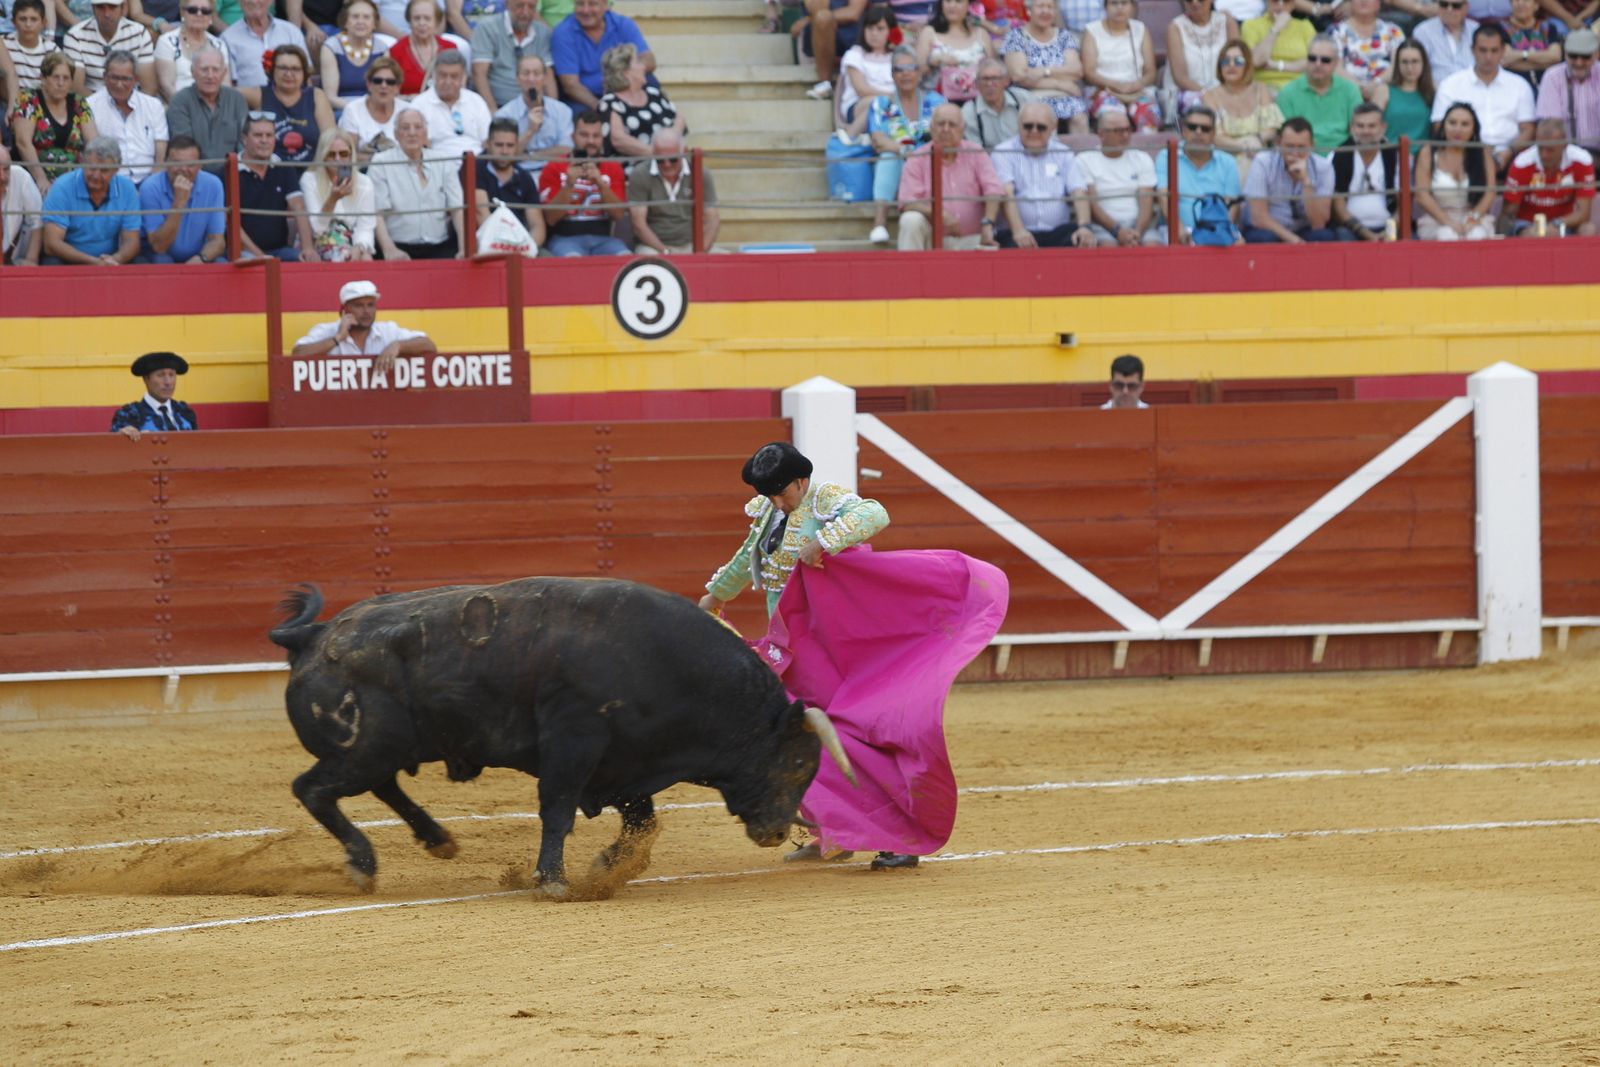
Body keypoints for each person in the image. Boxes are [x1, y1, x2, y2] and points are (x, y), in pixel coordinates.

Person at [695, 443, 902, 866]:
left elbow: (876, 514)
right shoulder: (771, 511)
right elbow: (745, 559)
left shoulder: (824, 500)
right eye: (769, 494)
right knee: (796, 738)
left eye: (781, 493)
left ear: (801, 481)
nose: (776, 501)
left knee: (852, 737)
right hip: (789, 649)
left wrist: (825, 540)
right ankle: (830, 832)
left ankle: (893, 839)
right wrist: (714, 598)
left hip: (831, 648)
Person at [895, 101, 1002, 248]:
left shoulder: (976, 152)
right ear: (932, 128)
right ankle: (911, 270)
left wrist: (988, 223)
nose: (946, 129)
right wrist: (939, 214)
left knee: (991, 246)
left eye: (952, 125)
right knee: (910, 220)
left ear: (962, 129)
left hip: (973, 238)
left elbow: (993, 190)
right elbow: (907, 202)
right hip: (932, 240)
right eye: (940, 124)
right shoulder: (917, 158)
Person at [866, 44, 943, 242]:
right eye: (899, 70)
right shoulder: (882, 104)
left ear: (919, 72)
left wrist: (918, 154)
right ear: (892, 74)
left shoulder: (936, 102)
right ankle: (880, 223)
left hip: (929, 162)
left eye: (910, 69)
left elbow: (945, 134)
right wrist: (905, 150)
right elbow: (878, 139)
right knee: (889, 156)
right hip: (899, 161)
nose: (905, 74)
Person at [992, 98, 1094, 246]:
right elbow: (1007, 194)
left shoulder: (1063, 153)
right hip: (1014, 232)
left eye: (1041, 127)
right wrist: (1019, 231)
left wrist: (1084, 227)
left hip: (1057, 232)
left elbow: (1078, 190)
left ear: (1053, 128)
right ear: (1018, 125)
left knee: (1082, 240)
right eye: (1028, 126)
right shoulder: (1003, 152)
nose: (1034, 131)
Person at [1432, 25, 1535, 168]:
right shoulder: (1450, 84)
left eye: (1494, 51)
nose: (1488, 57)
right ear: (1472, 50)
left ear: (1503, 51)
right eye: (1482, 50)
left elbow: (1528, 128)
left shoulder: (1520, 85)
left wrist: (1509, 152)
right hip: (1463, 158)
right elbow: (1439, 126)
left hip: (1511, 159)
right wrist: (1471, 150)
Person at [371, 107, 464, 257]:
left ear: (426, 133)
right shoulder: (381, 162)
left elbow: (457, 209)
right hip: (398, 247)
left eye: (418, 127)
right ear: (395, 134)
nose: (412, 133)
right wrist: (389, 249)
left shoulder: (444, 161)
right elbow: (376, 213)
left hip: (441, 246)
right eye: (405, 128)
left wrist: (464, 248)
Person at [291, 278, 437, 374]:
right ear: (345, 310)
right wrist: (337, 338)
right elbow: (297, 354)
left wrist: (398, 346)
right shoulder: (327, 330)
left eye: (370, 305)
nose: (366, 311)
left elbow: (429, 345)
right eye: (359, 306)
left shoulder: (388, 330)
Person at [40, 135, 141, 262]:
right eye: (91, 168)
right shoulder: (62, 187)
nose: (96, 176)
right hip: (69, 259)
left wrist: (116, 259)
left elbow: (132, 240)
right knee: (51, 262)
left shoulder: (127, 188)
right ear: (83, 163)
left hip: (110, 259)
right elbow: (51, 244)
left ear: (116, 170)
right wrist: (92, 262)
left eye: (104, 171)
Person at [10, 51, 97, 197]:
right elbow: (23, 143)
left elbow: (93, 142)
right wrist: (41, 179)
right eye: (56, 77)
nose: (61, 83)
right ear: (43, 78)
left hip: (74, 179)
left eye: (66, 78)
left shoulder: (79, 102)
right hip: (34, 178)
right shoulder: (28, 99)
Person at [1155, 103, 1243, 243]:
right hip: (1176, 228)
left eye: (1205, 128)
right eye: (1192, 127)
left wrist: (1218, 232)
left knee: (1239, 244)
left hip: (1217, 228)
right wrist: (1179, 228)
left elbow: (1232, 207)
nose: (1198, 132)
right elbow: (1164, 198)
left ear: (1213, 134)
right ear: (1183, 130)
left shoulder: (1228, 162)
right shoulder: (1166, 156)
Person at [235, 111, 316, 259]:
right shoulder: (230, 171)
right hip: (242, 253)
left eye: (269, 135)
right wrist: (260, 256)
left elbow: (298, 207)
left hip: (279, 251)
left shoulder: (283, 166)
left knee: (304, 263)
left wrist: (308, 248)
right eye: (258, 135)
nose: (264, 140)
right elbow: (230, 224)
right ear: (244, 139)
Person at [1242, 114, 1337, 240]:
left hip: (1303, 229)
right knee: (1264, 238)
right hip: (1269, 228)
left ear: (1312, 145)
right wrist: (1292, 239)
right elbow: (1259, 217)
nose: (1295, 153)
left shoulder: (1324, 167)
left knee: (1324, 236)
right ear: (1278, 144)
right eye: (1289, 146)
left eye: (1301, 147)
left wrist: (1306, 182)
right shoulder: (1263, 162)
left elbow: (1319, 223)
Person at [1076, 103, 1161, 245]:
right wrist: (1117, 231)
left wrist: (1137, 233)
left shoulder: (1142, 158)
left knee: (1153, 246)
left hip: (1139, 226)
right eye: (1118, 131)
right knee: (1107, 248)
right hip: (1102, 227)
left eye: (1128, 129)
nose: (1126, 135)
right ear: (1101, 134)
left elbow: (1146, 202)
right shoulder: (1085, 160)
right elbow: (1092, 205)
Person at [999, 0, 1086, 132]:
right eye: (1040, 6)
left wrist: (1044, 71)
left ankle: (1082, 153)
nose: (1045, 11)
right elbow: (1019, 76)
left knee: (1080, 118)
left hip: (1064, 95)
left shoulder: (1064, 36)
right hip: (1030, 96)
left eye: (1050, 7)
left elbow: (1076, 71)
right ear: (1029, 11)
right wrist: (1060, 84)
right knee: (1048, 118)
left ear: (1055, 12)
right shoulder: (1016, 37)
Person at [1499, 116, 1595, 234]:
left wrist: (1556, 224)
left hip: (1565, 222)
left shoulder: (1582, 160)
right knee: (1535, 233)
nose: (1544, 155)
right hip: (1528, 224)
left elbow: (1584, 214)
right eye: (1540, 148)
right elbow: (1508, 213)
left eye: (1550, 150)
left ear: (1564, 145)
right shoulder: (1522, 163)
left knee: (1589, 229)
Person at [627, 128, 716, 254]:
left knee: (725, 262)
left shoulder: (701, 173)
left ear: (684, 152)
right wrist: (664, 251)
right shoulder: (640, 174)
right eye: (660, 160)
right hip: (653, 247)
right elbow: (638, 224)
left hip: (693, 245)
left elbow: (712, 219)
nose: (667, 164)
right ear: (653, 154)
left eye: (673, 159)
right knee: (647, 259)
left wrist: (700, 252)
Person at [241, 43, 334, 164]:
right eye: (283, 68)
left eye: (295, 69)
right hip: (272, 172)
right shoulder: (259, 95)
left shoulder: (316, 96)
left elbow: (330, 140)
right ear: (272, 70)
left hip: (311, 172)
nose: (289, 74)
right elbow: (224, 91)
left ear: (304, 73)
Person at [1205, 36, 1283, 181]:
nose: (1231, 65)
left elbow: (1271, 128)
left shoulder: (1261, 89)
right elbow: (1214, 137)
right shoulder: (1210, 96)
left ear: (1247, 66)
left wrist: (1257, 140)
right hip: (1225, 159)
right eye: (1225, 61)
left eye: (1238, 61)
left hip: (1260, 155)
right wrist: (1243, 145)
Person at [550, 0, 652, 110]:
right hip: (586, 97)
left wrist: (623, 77)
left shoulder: (623, 24)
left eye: (593, 4)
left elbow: (649, 61)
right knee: (582, 115)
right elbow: (570, 85)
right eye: (580, 4)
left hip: (623, 88)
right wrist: (603, 108)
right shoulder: (563, 32)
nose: (586, 10)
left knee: (650, 81)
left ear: (606, 5)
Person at [1414, 100, 1496, 238]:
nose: (1457, 129)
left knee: (1477, 235)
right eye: (1452, 123)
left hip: (1473, 216)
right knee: (1446, 235)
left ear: (1473, 129)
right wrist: (1448, 222)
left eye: (1465, 124)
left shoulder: (1482, 153)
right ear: (1443, 126)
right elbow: (1422, 196)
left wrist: (1472, 218)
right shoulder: (1428, 152)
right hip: (1437, 218)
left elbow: (1490, 192)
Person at [139, 134, 226, 261]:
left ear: (200, 165)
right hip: (162, 254)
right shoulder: (150, 187)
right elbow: (159, 247)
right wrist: (179, 204)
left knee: (221, 263)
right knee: (162, 261)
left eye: (190, 165)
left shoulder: (213, 184)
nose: (183, 169)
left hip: (198, 254)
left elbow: (217, 241)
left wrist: (201, 259)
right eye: (177, 164)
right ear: (165, 163)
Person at [86, 50, 167, 183]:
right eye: (114, 78)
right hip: (109, 181)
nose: (119, 84)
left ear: (136, 79)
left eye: (125, 79)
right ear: (104, 77)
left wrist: (154, 180)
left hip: (149, 179)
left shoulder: (153, 105)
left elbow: (160, 148)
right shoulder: (90, 105)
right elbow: (94, 151)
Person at [166, 46, 247, 174]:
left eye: (215, 70)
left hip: (234, 175)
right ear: (193, 72)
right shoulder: (180, 101)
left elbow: (244, 144)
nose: (210, 76)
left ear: (224, 73)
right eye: (204, 69)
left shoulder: (236, 99)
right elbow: (184, 148)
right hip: (194, 175)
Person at [301, 125, 378, 258]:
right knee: (338, 255)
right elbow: (317, 229)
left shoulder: (364, 183)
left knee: (365, 257)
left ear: (351, 155)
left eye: (343, 154)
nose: (338, 159)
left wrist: (359, 247)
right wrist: (332, 199)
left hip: (350, 240)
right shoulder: (309, 180)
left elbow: (366, 227)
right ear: (323, 157)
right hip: (317, 242)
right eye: (331, 154)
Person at [1275, 34, 1362, 151]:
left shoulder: (1350, 90)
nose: (1318, 64)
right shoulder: (1288, 93)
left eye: (1325, 60)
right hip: (1303, 154)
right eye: (1312, 58)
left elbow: (1358, 130)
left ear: (1336, 63)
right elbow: (1287, 137)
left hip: (1342, 154)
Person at [538, 139, 626, 254]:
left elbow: (618, 215)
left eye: (596, 135)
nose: (591, 141)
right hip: (564, 239)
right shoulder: (554, 166)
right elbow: (550, 219)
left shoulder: (613, 167)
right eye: (584, 135)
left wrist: (600, 183)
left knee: (624, 256)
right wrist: (569, 184)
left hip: (604, 239)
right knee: (572, 260)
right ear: (573, 136)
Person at [1081, 0, 1159, 129]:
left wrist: (1135, 85)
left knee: (1148, 115)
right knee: (1113, 118)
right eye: (1114, 3)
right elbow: (1089, 72)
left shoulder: (1140, 29)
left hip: (1135, 89)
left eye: (1124, 3)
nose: (1119, 8)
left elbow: (1150, 71)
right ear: (1105, 7)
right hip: (1103, 90)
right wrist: (1117, 86)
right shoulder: (1092, 30)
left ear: (1132, 7)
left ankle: (1144, 149)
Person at [597, 41, 682, 158]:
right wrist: (659, 155)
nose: (644, 67)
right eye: (637, 62)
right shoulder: (610, 102)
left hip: (670, 161)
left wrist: (670, 145)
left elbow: (679, 119)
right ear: (625, 72)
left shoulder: (654, 93)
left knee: (702, 173)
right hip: (637, 165)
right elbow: (618, 140)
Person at [495, 52, 572, 175]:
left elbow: (566, 149)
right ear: (517, 78)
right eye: (526, 74)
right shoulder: (504, 114)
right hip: (519, 174)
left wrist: (531, 155)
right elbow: (505, 156)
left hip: (554, 173)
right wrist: (530, 131)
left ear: (545, 78)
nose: (531, 79)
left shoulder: (562, 111)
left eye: (536, 74)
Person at [1330, 101, 1398, 239]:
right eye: (1360, 126)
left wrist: (1389, 232)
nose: (1366, 131)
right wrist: (1366, 234)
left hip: (1388, 226)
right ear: (1351, 128)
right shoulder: (1338, 155)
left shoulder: (1395, 155)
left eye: (1372, 126)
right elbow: (1338, 205)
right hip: (1349, 228)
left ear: (1383, 128)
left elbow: (1404, 204)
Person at [470, 0, 552, 110]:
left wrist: (551, 109)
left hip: (533, 105)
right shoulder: (487, 28)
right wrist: (493, 112)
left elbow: (549, 76)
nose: (525, 12)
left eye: (531, 7)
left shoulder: (543, 32)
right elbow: (479, 74)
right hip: (499, 104)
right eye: (519, 6)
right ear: (506, 4)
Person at [63, 0, 155, 95]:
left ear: (123, 8)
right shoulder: (75, 36)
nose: (107, 14)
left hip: (133, 102)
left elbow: (149, 88)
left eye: (112, 7)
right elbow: (77, 88)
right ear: (93, 9)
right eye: (100, 7)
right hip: (91, 104)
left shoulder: (140, 33)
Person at [475, 115, 545, 241]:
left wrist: (528, 248)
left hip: (521, 245)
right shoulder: (475, 169)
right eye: (499, 145)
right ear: (488, 144)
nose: (505, 151)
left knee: (549, 259)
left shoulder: (524, 177)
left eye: (510, 145)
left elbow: (537, 225)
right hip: (486, 244)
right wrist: (504, 247)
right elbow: (481, 214)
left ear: (517, 146)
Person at [410, 48, 490, 156]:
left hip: (475, 163)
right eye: (443, 75)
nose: (448, 82)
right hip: (437, 165)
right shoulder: (419, 105)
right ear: (434, 75)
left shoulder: (476, 101)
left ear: (463, 77)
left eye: (454, 76)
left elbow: (487, 141)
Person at [1166, 0, 1237, 117]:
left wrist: (1224, 93)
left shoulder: (1227, 22)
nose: (1194, 3)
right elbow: (1180, 78)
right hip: (1189, 92)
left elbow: (1237, 64)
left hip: (1223, 91)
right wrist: (1208, 94)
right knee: (1208, 109)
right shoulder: (1175, 27)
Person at [319, 0, 394, 110]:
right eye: (355, 17)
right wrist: (359, 110)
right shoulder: (331, 47)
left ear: (374, 24)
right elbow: (330, 97)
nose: (360, 21)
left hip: (374, 109)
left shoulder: (382, 49)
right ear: (345, 22)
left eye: (366, 17)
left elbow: (386, 90)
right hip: (342, 110)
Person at [916, 0, 994, 105]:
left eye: (958, 1)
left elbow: (994, 71)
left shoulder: (981, 34)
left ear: (969, 5)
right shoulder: (929, 32)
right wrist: (933, 61)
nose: (952, 5)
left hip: (979, 104)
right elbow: (916, 72)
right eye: (948, 1)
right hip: (939, 105)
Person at [220, 0, 307, 91]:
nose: (253, 1)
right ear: (240, 2)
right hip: (248, 103)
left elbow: (306, 73)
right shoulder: (227, 38)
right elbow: (229, 87)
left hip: (292, 99)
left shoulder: (291, 32)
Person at [1535, 26, 1598, 149]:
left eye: (1585, 57)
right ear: (1565, 53)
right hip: (1566, 155)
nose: (1579, 62)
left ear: (1596, 54)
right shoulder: (1552, 77)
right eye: (1573, 56)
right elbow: (1549, 126)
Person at [154, 0, 230, 100]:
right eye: (193, 10)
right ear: (182, 13)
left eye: (205, 11)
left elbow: (225, 85)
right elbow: (166, 86)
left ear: (211, 16)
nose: (199, 14)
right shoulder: (167, 42)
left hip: (215, 107)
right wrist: (189, 109)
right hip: (179, 107)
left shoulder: (219, 45)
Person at [111, 351, 197, 439]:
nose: (168, 382)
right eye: (160, 375)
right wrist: (123, 435)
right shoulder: (129, 414)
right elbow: (115, 447)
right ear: (146, 379)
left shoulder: (184, 411)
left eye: (172, 375)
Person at [837, 3, 896, 132]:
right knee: (877, 103)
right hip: (859, 105)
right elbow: (861, 89)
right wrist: (892, 98)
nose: (874, 33)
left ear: (890, 31)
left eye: (880, 29)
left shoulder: (897, 57)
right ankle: (850, 137)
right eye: (870, 28)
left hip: (894, 105)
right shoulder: (854, 54)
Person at [1328, 0, 1404, 99]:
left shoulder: (1393, 31)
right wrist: (1360, 87)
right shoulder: (1336, 31)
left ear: (1379, 3)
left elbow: (1398, 65)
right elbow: (1335, 67)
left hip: (1385, 91)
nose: (1363, 1)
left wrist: (1376, 83)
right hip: (1346, 92)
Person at [337, 53, 402, 159]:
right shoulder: (353, 110)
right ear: (369, 84)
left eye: (390, 82)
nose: (383, 86)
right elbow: (348, 154)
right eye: (378, 81)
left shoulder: (407, 111)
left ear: (397, 87)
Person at [801, 0, 868, 100]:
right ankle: (825, 83)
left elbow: (853, 13)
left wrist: (813, 19)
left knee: (823, 17)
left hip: (854, 35)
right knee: (822, 18)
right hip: (822, 35)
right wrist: (821, 18)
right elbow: (814, 9)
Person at [1240, 0, 1312, 91]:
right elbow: (1256, 60)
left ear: (1293, 5)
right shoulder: (1251, 25)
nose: (1280, 5)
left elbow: (1313, 62)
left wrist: (1276, 65)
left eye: (1286, 1)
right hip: (1264, 87)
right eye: (1275, 1)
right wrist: (1276, 29)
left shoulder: (1305, 26)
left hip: (1299, 87)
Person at [388, 0, 456, 94]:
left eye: (427, 18)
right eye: (416, 18)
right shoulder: (396, 51)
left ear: (436, 21)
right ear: (409, 20)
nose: (421, 23)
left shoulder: (449, 48)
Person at [1378, 39, 1434, 151]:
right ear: (1397, 64)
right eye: (1404, 62)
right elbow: (1373, 125)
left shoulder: (1434, 92)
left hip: (1422, 160)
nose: (1409, 68)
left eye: (1415, 61)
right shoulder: (1384, 91)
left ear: (1424, 63)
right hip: (1390, 156)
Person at [1413, 0, 1478, 85]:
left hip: (1474, 90)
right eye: (1444, 4)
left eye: (1456, 6)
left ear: (1466, 8)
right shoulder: (1423, 31)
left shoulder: (1476, 30)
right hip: (1435, 91)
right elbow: (1419, 70)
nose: (1449, 10)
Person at [2, 144, 45, 266]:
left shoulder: (21, 177)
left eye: (6, 169)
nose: (2, 177)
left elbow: (37, 220)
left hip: (13, 261)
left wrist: (31, 260)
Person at [3, 0, 58, 96]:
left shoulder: (52, 50)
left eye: (34, 19)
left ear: (43, 22)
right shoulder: (3, 45)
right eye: (23, 19)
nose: (28, 24)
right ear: (13, 22)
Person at [1502, 0, 1560, 87]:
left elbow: (1555, 57)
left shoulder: (1548, 27)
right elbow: (1505, 59)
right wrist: (1543, 60)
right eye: (1516, 0)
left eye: (1526, 0)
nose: (1520, 3)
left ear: (1536, 5)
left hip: (1547, 85)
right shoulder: (1500, 28)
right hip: (1513, 85)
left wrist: (1521, 56)